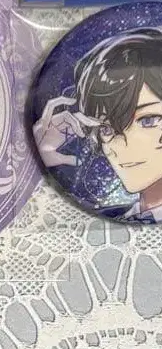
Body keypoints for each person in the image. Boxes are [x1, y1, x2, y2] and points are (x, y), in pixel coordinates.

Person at [35, 27, 162, 222]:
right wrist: (35, 159)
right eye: (106, 128)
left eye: (148, 120)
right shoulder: (115, 216)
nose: (121, 145)